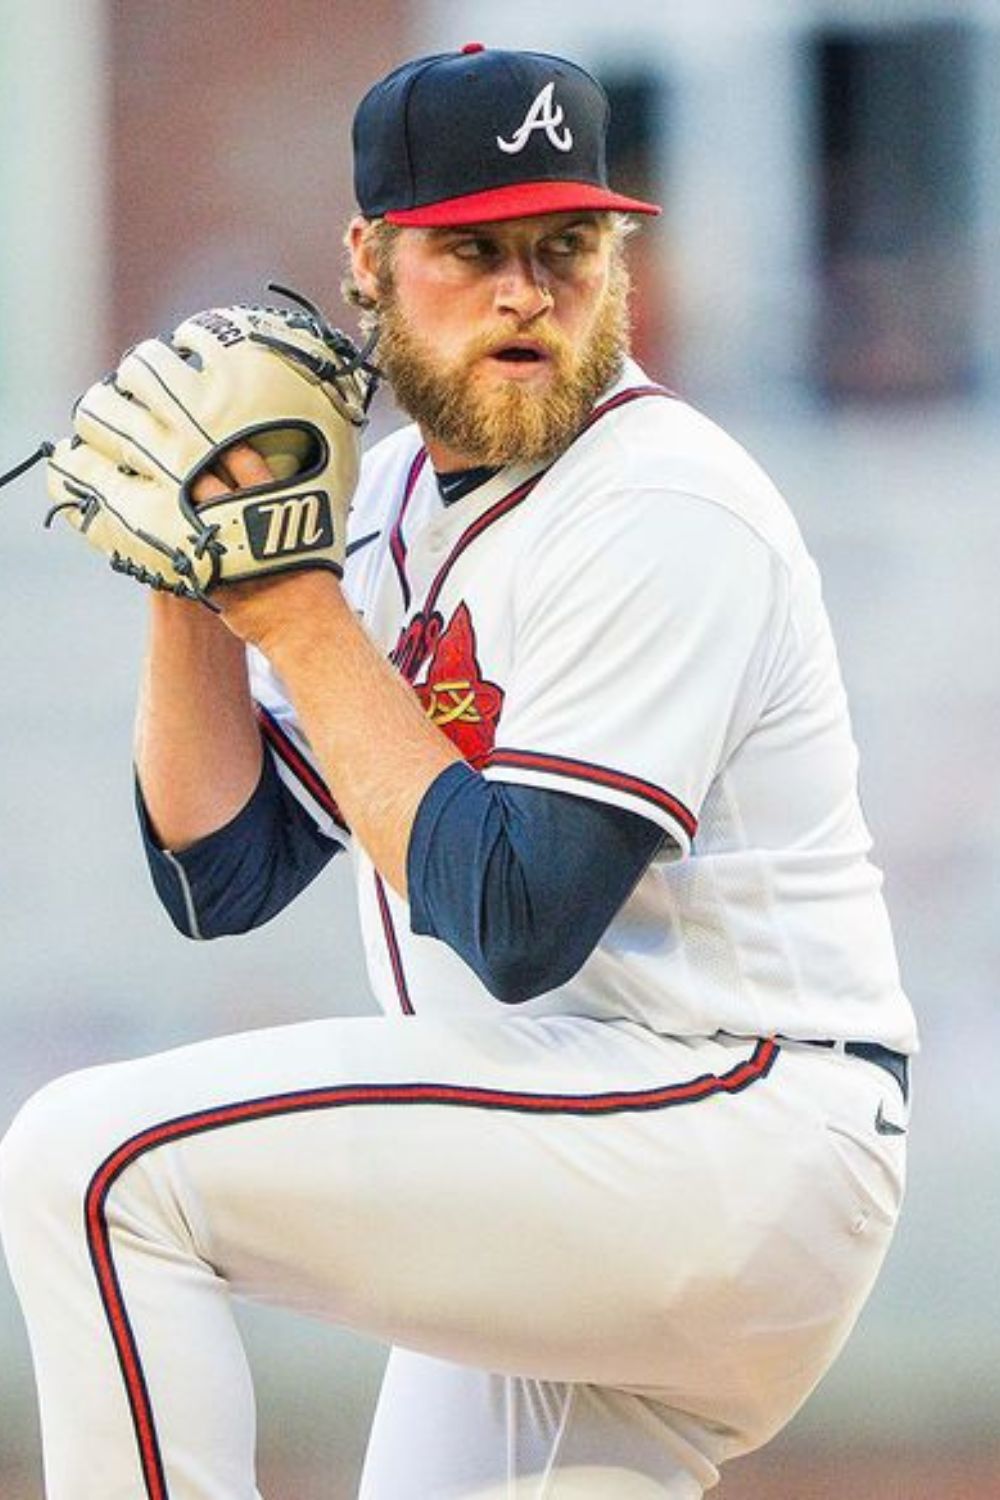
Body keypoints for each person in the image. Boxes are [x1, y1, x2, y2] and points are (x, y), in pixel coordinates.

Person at [0, 42, 916, 1500]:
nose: (526, 294)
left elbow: (518, 924)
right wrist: (194, 578)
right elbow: (219, 871)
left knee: (91, 1168)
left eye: (569, 247)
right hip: (574, 1159)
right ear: (367, 259)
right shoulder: (387, 507)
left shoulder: (662, 502)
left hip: (729, 1131)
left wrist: (287, 607)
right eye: (472, 249)